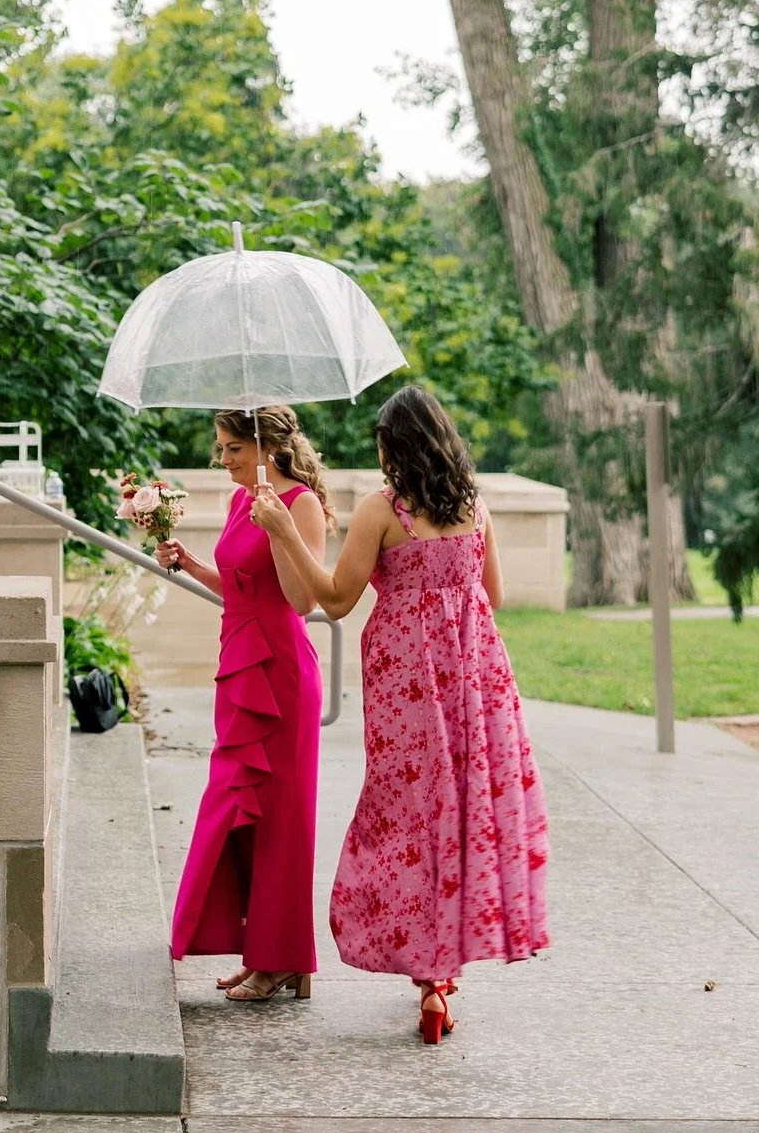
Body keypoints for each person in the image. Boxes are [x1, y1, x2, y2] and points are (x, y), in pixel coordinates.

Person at [256, 383, 549, 1045]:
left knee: (407, 813)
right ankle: (441, 976)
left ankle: (429, 969)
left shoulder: (383, 511)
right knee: (459, 811)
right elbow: (492, 593)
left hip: (406, 686)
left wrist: (282, 531)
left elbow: (333, 598)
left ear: (397, 447)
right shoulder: (475, 507)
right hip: (476, 681)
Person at [157, 406, 328, 1003]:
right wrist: (189, 563)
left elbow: (302, 599)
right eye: (220, 448)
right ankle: (265, 954)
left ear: (264, 448)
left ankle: (281, 959)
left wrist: (279, 526)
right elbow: (238, 584)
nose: (221, 459)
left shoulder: (300, 504)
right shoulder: (240, 503)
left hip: (280, 676)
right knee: (236, 809)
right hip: (238, 668)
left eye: (232, 449)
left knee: (281, 821)